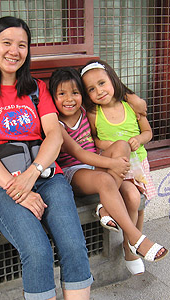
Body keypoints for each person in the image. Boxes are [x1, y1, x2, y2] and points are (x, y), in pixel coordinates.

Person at [0, 16, 93, 300]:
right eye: (6, 43)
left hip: (46, 178)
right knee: (37, 250)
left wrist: (33, 173)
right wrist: (17, 189)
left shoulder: (37, 88)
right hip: (0, 187)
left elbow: (54, 136)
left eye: (22, 45)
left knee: (72, 244)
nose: (14, 51)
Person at [49, 67, 165, 274]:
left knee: (122, 145)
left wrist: (135, 99)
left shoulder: (85, 110)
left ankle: (104, 206)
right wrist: (112, 164)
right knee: (104, 180)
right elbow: (79, 154)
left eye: (75, 93)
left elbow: (110, 91)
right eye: (62, 94)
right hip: (74, 171)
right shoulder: (56, 124)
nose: (69, 99)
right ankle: (135, 238)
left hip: (96, 165)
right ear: (53, 97)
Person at [80, 59, 168, 267]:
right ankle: (131, 247)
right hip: (114, 168)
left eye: (102, 83)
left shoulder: (131, 107)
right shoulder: (95, 113)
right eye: (91, 89)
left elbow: (148, 132)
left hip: (137, 165)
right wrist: (108, 143)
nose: (99, 91)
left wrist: (139, 140)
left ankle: (131, 245)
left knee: (138, 201)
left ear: (113, 79)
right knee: (130, 195)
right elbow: (94, 139)